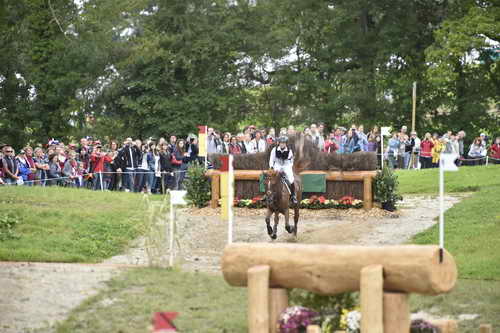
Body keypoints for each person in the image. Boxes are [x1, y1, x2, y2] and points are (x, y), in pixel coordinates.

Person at [269, 136, 297, 204]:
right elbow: (271, 159)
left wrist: (286, 169)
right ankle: (269, 195)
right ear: (279, 143)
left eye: (284, 143)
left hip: (286, 166)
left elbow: (291, 162)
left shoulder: (289, 151)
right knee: (271, 180)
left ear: (286, 144)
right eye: (281, 143)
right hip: (277, 165)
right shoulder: (274, 149)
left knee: (291, 179)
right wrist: (272, 167)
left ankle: (293, 196)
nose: (282, 144)